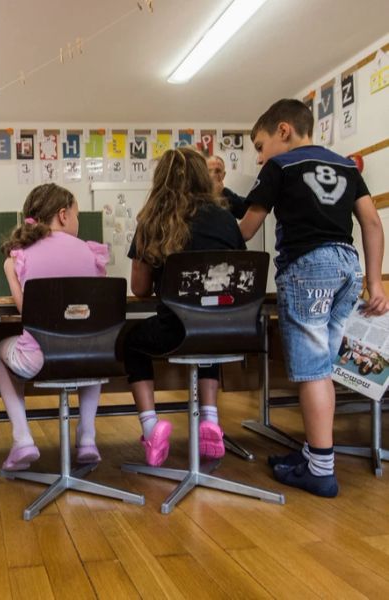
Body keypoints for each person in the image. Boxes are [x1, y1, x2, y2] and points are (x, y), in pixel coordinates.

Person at [239, 98, 387, 497]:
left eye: (259, 144)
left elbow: (248, 229)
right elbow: (371, 222)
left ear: (283, 131)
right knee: (322, 363)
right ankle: (311, 454)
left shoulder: (279, 166)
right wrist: (375, 283)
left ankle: (321, 467)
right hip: (346, 266)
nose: (258, 157)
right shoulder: (344, 165)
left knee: (312, 371)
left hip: (307, 267)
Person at [125, 147, 246, 466]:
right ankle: (209, 418)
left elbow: (138, 288)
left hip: (175, 331)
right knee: (207, 327)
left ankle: (151, 427)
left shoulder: (152, 219)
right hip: (229, 328)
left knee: (131, 341)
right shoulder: (225, 218)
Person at [0, 183, 109, 470]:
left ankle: (22, 439)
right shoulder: (90, 253)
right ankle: (87, 438)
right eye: (77, 215)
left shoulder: (20, 256)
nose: (78, 221)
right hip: (89, 360)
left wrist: (10, 272)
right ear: (62, 215)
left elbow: (28, 313)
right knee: (90, 340)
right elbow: (95, 313)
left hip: (39, 359)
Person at [207, 155, 249, 219]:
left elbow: (244, 212)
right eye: (209, 171)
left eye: (217, 171)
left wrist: (222, 191)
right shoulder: (197, 194)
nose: (212, 174)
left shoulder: (227, 195)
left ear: (223, 175)